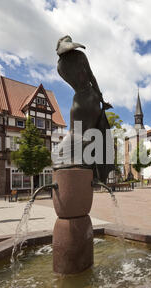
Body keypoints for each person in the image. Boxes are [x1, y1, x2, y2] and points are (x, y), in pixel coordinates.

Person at [54, 35, 114, 183]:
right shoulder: (80, 56)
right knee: (91, 136)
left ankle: (62, 156)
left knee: (74, 132)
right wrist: (101, 99)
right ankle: (89, 168)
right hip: (90, 97)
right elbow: (92, 77)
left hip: (77, 100)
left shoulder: (60, 66)